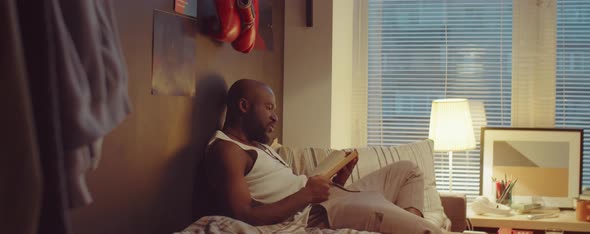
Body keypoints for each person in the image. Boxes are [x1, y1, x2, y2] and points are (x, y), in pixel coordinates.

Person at [203, 79, 442, 233]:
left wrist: (338, 179)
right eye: (268, 108)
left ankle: (402, 223)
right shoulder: (227, 150)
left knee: (408, 170)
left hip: (331, 198)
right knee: (428, 230)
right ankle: (410, 226)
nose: (275, 117)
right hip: (316, 213)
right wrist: (307, 194)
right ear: (244, 106)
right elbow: (245, 214)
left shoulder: (256, 145)